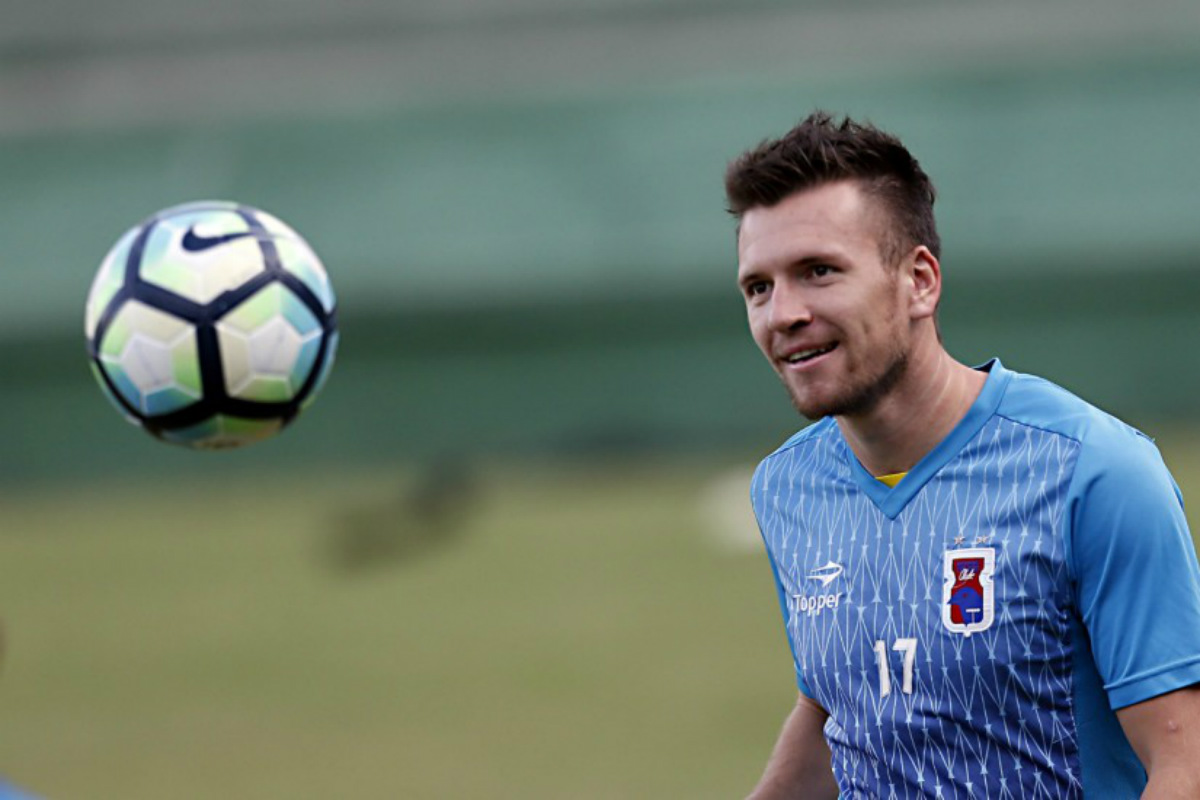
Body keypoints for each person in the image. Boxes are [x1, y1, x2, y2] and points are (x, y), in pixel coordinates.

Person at [725, 111, 1200, 798]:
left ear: (919, 280)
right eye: (758, 288)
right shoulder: (786, 486)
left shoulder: (1092, 472)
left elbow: (1183, 763)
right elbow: (839, 710)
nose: (782, 314)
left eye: (819, 271)